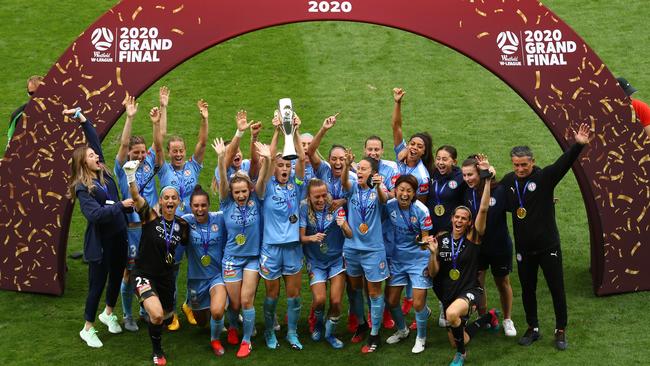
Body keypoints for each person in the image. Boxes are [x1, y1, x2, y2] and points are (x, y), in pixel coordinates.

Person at [500, 123, 591, 351]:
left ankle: (560, 330)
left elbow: (563, 164)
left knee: (556, 288)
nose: (520, 169)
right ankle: (533, 327)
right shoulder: (509, 181)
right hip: (523, 249)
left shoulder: (545, 177)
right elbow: (507, 203)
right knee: (528, 289)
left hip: (548, 246)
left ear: (532, 161)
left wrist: (578, 145)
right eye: (516, 165)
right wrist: (485, 173)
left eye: (524, 164)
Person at [64, 107, 131, 348]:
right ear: (84, 162)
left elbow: (93, 138)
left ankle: (109, 312)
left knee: (116, 276)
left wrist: (82, 118)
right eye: (91, 156)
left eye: (95, 154)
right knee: (97, 285)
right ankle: (88, 328)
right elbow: (95, 215)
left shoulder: (101, 171)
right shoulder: (83, 188)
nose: (96, 156)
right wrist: (120, 205)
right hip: (101, 242)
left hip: (118, 236)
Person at [427, 155, 492, 366]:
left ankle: (461, 356)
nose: (459, 220)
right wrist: (433, 253)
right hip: (449, 291)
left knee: (452, 314)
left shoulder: (473, 238)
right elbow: (434, 272)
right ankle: (486, 319)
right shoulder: (442, 239)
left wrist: (487, 179)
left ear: (469, 223)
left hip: (470, 289)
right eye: (457, 217)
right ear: (452, 219)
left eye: (464, 218)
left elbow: (483, 209)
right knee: (457, 338)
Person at [214, 136, 272, 358]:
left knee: (247, 300)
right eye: (237, 192)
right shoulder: (226, 202)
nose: (240, 195)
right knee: (235, 303)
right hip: (231, 258)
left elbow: (264, 178)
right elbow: (222, 180)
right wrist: (221, 158)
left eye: (243, 191)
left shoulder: (256, 199)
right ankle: (233, 325)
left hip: (252, 259)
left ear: (249, 190)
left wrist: (266, 160)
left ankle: (246, 341)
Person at [113, 94, 165, 332]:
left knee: (150, 268)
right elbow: (123, 145)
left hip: (151, 226)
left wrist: (157, 121)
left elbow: (159, 143)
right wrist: (129, 118)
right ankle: (127, 314)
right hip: (131, 228)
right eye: (136, 152)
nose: (140, 155)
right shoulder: (123, 169)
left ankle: (145, 309)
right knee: (129, 272)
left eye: (143, 152)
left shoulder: (148, 163)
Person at [157, 98, 209, 330]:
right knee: (172, 269)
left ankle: (189, 305)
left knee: (196, 267)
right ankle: (171, 312)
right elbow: (156, 146)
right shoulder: (164, 169)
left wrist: (204, 119)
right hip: (173, 227)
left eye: (181, 150)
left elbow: (203, 143)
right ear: (168, 153)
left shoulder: (192, 166)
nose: (178, 154)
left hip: (194, 224)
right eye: (174, 151)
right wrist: (160, 117)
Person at [259, 110, 306, 350]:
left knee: (294, 294)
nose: (284, 168)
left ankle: (293, 333)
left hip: (293, 248)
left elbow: (302, 162)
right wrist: (276, 130)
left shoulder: (297, 187)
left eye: (287, 165)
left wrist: (295, 131)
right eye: (280, 165)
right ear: (274, 169)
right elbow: (266, 160)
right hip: (271, 248)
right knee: (271, 294)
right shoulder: (266, 187)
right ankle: (269, 332)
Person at [461, 156, 516, 337]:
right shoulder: (467, 193)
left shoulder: (499, 190)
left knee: (502, 282)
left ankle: (507, 319)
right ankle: (484, 317)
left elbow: (518, 205)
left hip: (499, 246)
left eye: (471, 175)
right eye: (465, 175)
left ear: (480, 173)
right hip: (477, 248)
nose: (467, 179)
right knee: (478, 284)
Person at [341, 153, 389, 353]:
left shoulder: (378, 190)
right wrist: (346, 166)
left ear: (373, 173)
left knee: (374, 292)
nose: (359, 171)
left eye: (363, 169)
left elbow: (384, 199)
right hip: (351, 248)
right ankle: (362, 323)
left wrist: (378, 185)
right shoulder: (352, 188)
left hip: (372, 251)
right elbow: (344, 182)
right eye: (357, 168)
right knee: (354, 288)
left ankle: (375, 333)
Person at [300, 178, 352, 349]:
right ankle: (318, 323)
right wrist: (311, 238)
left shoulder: (335, 207)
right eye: (317, 197)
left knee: (336, 302)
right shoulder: (303, 208)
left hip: (336, 260)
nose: (321, 200)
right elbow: (301, 238)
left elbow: (350, 235)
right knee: (320, 299)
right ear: (309, 197)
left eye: (324, 195)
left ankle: (329, 334)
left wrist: (343, 226)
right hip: (315, 262)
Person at [383, 175, 433, 354]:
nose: (404, 194)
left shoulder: (422, 210)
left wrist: (423, 241)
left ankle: (421, 337)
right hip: (397, 260)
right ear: (395, 190)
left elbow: (426, 237)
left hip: (418, 260)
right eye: (401, 190)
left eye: (409, 191)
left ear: (414, 193)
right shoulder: (389, 206)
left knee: (418, 304)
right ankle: (402, 330)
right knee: (391, 300)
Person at [181, 185, 228, 357]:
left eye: (203, 205)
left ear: (209, 205)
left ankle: (215, 340)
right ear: (190, 206)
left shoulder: (219, 219)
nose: (200, 210)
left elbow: (232, 205)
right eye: (196, 206)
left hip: (216, 276)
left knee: (216, 311)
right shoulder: (184, 221)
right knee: (201, 323)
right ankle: (189, 303)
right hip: (196, 280)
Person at [426, 145, 465, 328]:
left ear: (454, 161)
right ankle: (444, 302)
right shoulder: (431, 174)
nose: (441, 162)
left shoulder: (460, 177)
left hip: (451, 233)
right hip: (433, 234)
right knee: (434, 271)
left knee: (451, 270)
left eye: (445, 159)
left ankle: (455, 306)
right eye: (438, 158)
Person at [390, 87, 433, 202]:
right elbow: (396, 126)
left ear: (424, 152)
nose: (414, 147)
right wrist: (397, 102)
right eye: (412, 144)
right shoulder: (401, 152)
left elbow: (420, 205)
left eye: (419, 146)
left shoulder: (422, 177)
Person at [5, 75, 43, 153]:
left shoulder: (58, 110)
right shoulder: (18, 115)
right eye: (32, 93)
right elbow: (11, 146)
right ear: (28, 93)